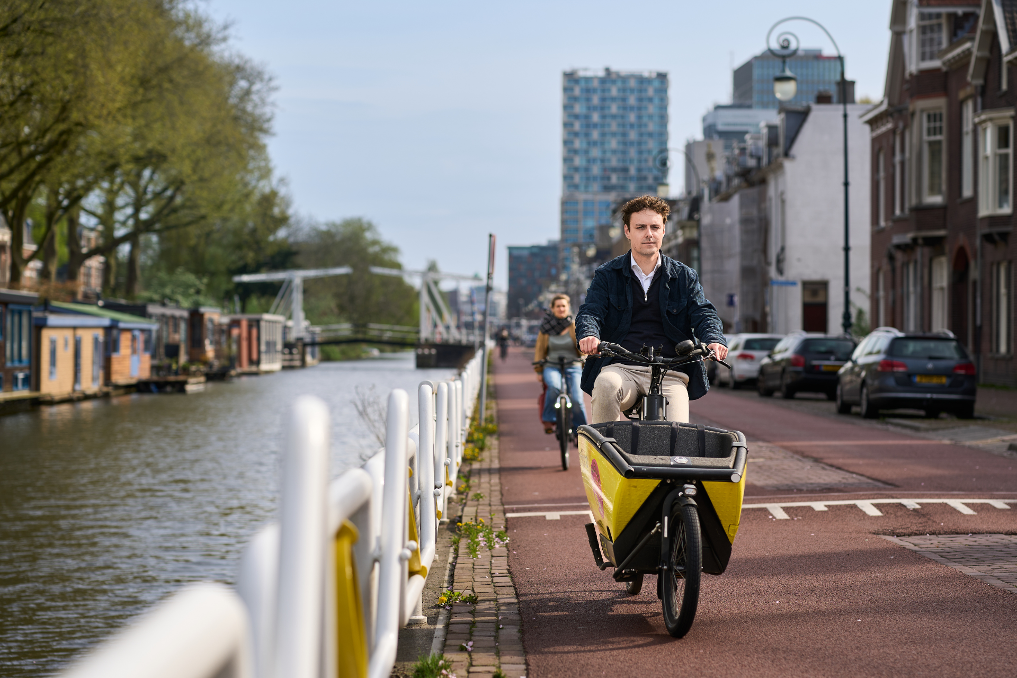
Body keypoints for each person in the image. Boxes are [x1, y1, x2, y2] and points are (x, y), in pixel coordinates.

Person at [576, 195, 728, 424]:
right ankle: (601, 455)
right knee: (605, 385)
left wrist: (714, 339)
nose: (649, 233)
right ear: (627, 231)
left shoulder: (685, 275)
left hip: (671, 371)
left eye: (655, 227)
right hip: (622, 367)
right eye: (640, 227)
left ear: (664, 230)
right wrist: (589, 335)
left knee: (677, 438)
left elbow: (703, 312)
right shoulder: (607, 274)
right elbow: (591, 311)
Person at [533, 294, 589, 435]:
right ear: (552, 308)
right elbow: (540, 349)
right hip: (551, 365)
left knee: (577, 399)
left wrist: (584, 358)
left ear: (568, 307)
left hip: (574, 365)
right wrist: (539, 371)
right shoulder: (546, 327)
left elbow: (583, 345)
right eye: (557, 306)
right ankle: (549, 419)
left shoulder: (575, 325)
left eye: (563, 306)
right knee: (554, 387)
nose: (561, 309)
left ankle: (580, 432)